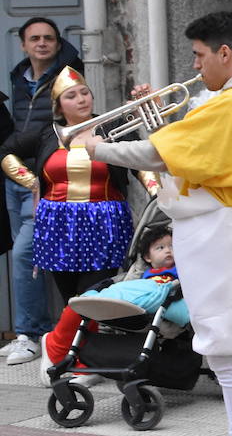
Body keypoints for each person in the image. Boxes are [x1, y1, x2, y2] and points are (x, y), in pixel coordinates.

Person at [82, 11, 232, 436]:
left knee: (226, 351)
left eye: (199, 54)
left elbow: (162, 154)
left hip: (228, 230)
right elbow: (195, 154)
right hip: (224, 227)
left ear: (224, 53)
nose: (195, 65)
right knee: (223, 352)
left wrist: (99, 146)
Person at [0, 66, 134, 303]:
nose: (82, 99)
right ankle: (71, 339)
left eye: (85, 92)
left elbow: (140, 162)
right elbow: (7, 152)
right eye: (71, 96)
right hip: (58, 223)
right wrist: (32, 182)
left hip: (104, 221)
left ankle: (78, 338)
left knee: (93, 295)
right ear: (59, 106)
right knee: (70, 298)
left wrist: (157, 194)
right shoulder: (48, 133)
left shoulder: (113, 127)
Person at [3, 17, 83, 365]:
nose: (41, 44)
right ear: (23, 44)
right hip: (16, 176)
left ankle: (31, 334)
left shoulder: (68, 75)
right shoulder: (18, 78)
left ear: (57, 42)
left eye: (48, 38)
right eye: (34, 38)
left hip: (47, 180)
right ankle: (42, 330)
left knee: (25, 253)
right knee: (30, 257)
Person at [39, 224, 188, 377]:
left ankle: (71, 355)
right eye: (160, 248)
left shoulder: (181, 270)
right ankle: (61, 350)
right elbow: (130, 286)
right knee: (86, 301)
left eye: (172, 246)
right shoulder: (143, 274)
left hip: (162, 300)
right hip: (135, 300)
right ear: (147, 258)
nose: (168, 250)